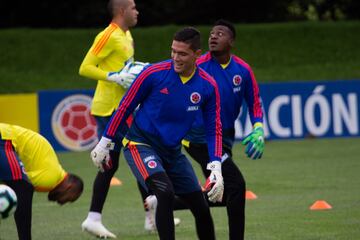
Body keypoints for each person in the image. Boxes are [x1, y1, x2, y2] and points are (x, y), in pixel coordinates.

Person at [91, 27, 224, 240]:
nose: (175, 58)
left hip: (173, 152)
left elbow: (213, 129)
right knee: (164, 192)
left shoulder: (208, 85)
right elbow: (124, 107)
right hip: (140, 145)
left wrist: (215, 166)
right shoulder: (153, 73)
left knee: (200, 206)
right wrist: (105, 141)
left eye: (182, 53)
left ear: (197, 55)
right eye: (173, 51)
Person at [178, 19, 264, 240]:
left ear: (231, 41)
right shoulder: (199, 65)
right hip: (198, 138)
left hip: (224, 139)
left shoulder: (243, 70)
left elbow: (254, 102)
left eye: (220, 33)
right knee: (237, 185)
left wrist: (258, 128)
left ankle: (167, 201)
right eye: (212, 33)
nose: (213, 36)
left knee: (221, 194)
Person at [78, 0, 139, 238]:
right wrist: (113, 77)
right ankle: (94, 217)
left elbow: (127, 69)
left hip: (123, 108)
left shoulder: (127, 35)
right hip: (107, 109)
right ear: (122, 11)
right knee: (133, 154)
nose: (137, 11)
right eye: (133, 7)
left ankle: (149, 216)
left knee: (128, 157)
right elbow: (85, 67)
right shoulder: (108, 35)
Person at [0, 123, 84, 240]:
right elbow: (17, 183)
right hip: (5, 140)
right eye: (70, 199)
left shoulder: (55, 171)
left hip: (6, 137)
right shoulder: (51, 179)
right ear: (69, 187)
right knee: (24, 188)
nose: (63, 203)